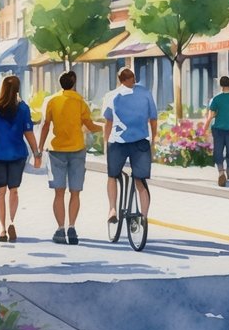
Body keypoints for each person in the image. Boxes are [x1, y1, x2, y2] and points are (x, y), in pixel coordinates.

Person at [37, 71, 101, 244]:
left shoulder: (51, 101)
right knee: (75, 192)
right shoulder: (80, 101)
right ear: (74, 83)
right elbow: (89, 125)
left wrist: (39, 149)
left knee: (59, 193)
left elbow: (44, 126)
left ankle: (60, 229)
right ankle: (72, 227)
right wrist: (103, 128)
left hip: (56, 150)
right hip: (77, 150)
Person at [0, 75, 40, 243]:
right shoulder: (23, 108)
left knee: (1, 192)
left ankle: (2, 229)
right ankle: (12, 221)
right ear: (18, 89)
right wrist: (37, 152)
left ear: (2, 88)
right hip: (17, 155)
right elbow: (29, 133)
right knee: (14, 190)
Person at [103, 68, 158, 229]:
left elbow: (108, 122)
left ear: (120, 80)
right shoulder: (145, 93)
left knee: (112, 176)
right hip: (140, 141)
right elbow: (153, 119)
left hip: (118, 142)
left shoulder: (112, 95)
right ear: (132, 78)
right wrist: (154, 139)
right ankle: (144, 217)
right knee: (140, 181)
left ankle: (112, 208)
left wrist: (106, 143)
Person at [204, 75, 229, 187]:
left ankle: (221, 172)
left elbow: (210, 116)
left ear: (220, 85)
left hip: (218, 129)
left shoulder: (216, 99)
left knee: (218, 151)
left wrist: (204, 128)